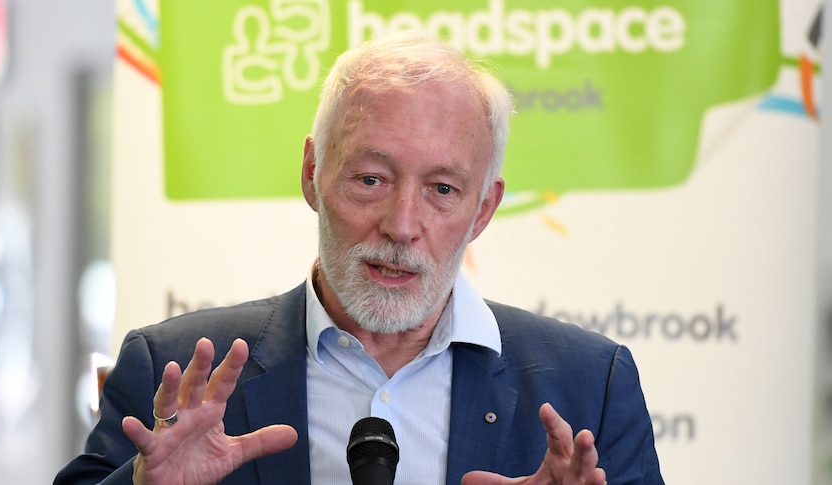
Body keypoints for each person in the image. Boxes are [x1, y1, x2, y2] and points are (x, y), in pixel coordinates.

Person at [55, 30, 664, 485]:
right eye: (371, 179)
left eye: (442, 191)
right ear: (312, 173)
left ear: (483, 209)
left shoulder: (592, 386)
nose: (401, 226)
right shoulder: (173, 371)